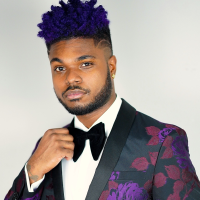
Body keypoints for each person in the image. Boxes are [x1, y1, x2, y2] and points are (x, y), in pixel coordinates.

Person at [4, 0, 200, 199]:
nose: (71, 78)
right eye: (59, 68)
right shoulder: (45, 146)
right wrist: (32, 171)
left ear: (111, 67)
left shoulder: (162, 142)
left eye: (86, 64)